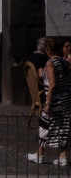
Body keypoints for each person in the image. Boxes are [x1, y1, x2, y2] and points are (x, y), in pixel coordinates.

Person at [30, 37, 71, 168]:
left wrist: (48, 102)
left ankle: (39, 155)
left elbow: (52, 84)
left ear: (48, 49)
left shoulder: (50, 63)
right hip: (66, 99)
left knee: (44, 124)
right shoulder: (64, 61)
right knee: (63, 127)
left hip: (56, 100)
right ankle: (63, 156)